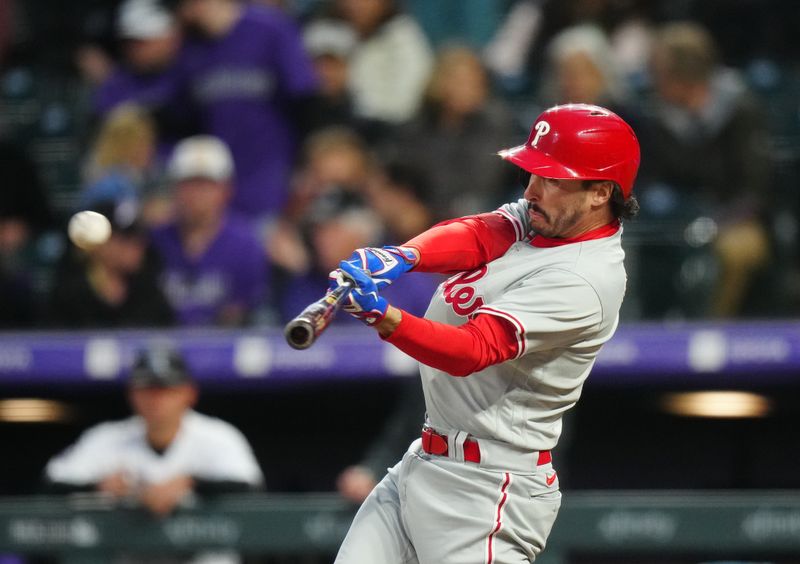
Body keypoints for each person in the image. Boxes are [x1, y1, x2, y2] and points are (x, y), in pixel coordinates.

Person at [328, 103, 640, 563]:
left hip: (488, 488)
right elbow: (481, 232)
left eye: (551, 178)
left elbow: (472, 349)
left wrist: (384, 317)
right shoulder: (548, 219)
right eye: (532, 172)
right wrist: (401, 257)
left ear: (599, 194)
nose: (531, 188)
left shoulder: (586, 277)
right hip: (426, 459)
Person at [44, 344, 263, 564]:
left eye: (166, 389)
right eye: (147, 389)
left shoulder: (219, 437)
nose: (156, 399)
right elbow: (50, 487)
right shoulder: (104, 439)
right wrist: (97, 487)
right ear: (132, 394)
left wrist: (191, 484)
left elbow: (252, 489)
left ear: (189, 393)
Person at [150, 135, 267, 326]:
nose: (196, 195)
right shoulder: (155, 240)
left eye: (205, 185)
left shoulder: (245, 244)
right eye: (188, 185)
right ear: (174, 189)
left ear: (226, 189)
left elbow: (243, 312)